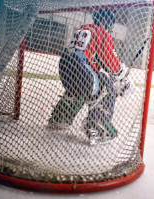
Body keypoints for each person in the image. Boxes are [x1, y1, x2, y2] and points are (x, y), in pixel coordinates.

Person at [47, 10, 134, 143]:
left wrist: (114, 74)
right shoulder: (101, 32)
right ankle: (97, 128)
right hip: (81, 68)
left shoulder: (84, 29)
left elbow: (97, 59)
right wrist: (122, 77)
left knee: (78, 90)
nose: (110, 28)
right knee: (105, 86)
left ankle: (59, 119)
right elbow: (111, 61)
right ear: (105, 22)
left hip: (65, 67)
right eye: (110, 25)